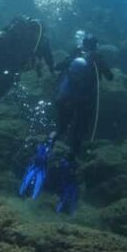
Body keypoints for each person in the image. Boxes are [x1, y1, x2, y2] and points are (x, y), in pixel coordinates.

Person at [20, 31, 113, 214]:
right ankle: (68, 167)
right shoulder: (97, 58)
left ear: (82, 44)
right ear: (96, 46)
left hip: (64, 99)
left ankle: (46, 148)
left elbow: (57, 67)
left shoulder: (74, 54)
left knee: (60, 128)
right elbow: (109, 76)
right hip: (84, 103)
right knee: (77, 135)